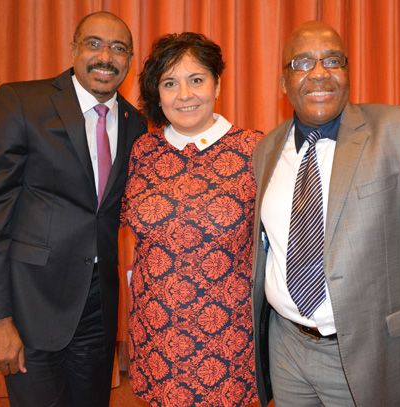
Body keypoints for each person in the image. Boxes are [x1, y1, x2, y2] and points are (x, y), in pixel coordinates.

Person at [251, 21, 400, 407]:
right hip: (287, 349)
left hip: (374, 355)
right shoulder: (265, 151)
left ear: (348, 73)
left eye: (332, 60)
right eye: (302, 63)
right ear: (283, 83)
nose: (319, 72)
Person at [0, 11, 147, 406]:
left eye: (118, 48)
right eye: (94, 44)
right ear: (73, 50)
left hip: (99, 309)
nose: (106, 56)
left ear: (129, 60)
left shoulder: (137, 124)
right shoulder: (22, 102)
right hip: (32, 306)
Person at [120, 32, 261, 406]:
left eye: (196, 79)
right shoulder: (141, 152)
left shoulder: (255, 149)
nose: (184, 95)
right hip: (155, 333)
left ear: (217, 84)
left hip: (228, 338)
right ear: (157, 94)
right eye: (170, 83)